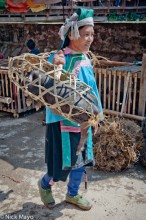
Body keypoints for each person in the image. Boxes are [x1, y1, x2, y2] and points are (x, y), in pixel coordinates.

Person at [38, 7, 104, 211]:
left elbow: (92, 89)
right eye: (86, 34)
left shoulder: (85, 59)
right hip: (61, 123)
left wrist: (97, 115)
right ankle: (44, 185)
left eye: (92, 35)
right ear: (72, 34)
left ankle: (72, 195)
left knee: (81, 162)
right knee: (59, 165)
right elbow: (44, 86)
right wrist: (52, 67)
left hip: (83, 122)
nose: (90, 39)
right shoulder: (58, 58)